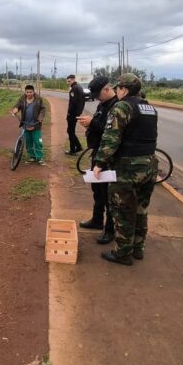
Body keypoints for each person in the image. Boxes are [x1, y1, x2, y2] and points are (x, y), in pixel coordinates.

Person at [92, 73, 158, 266]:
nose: (117, 91)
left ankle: (123, 253)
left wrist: (99, 163)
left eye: (118, 88)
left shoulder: (122, 106)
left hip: (128, 168)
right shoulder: (149, 108)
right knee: (140, 209)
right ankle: (138, 249)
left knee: (123, 210)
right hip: (150, 165)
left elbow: (111, 138)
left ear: (124, 90)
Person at [76, 76, 118, 243]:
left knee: (108, 195)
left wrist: (92, 122)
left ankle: (109, 229)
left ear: (107, 89)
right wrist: (89, 124)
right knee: (97, 191)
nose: (96, 98)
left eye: (98, 94)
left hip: (107, 158)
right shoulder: (103, 104)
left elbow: (111, 134)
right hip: (97, 154)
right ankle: (97, 220)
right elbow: (99, 125)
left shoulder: (116, 107)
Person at [11, 85, 46, 165]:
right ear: (25, 92)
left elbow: (43, 109)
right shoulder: (22, 99)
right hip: (26, 124)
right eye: (27, 92)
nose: (29, 94)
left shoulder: (38, 99)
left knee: (38, 142)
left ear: (33, 92)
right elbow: (17, 106)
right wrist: (15, 109)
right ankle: (32, 157)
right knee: (28, 142)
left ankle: (40, 158)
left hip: (36, 124)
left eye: (30, 92)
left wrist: (40, 117)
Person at [65, 74, 86, 155]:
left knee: (70, 131)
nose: (68, 83)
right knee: (71, 131)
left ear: (73, 80)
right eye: (67, 81)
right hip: (77, 113)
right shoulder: (80, 87)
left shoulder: (74, 89)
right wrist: (79, 112)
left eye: (69, 81)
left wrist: (69, 113)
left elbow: (73, 103)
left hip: (73, 114)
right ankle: (76, 147)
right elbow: (82, 102)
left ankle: (73, 149)